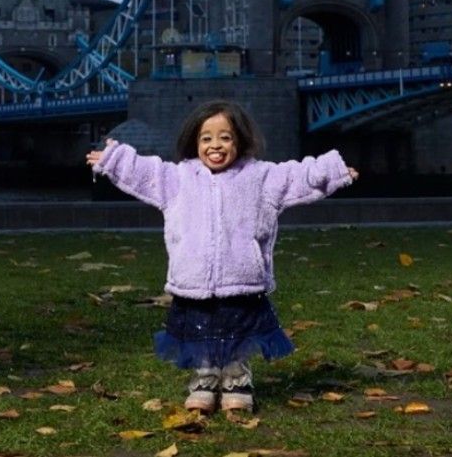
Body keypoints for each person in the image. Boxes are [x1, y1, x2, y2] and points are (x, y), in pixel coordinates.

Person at [86, 102, 358, 412]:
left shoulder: (260, 177)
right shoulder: (178, 178)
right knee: (201, 334)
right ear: (195, 143)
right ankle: (205, 378)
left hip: (241, 279)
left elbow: (296, 176)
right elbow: (147, 172)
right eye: (206, 138)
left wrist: (333, 171)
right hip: (194, 279)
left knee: (237, 334)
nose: (215, 145)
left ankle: (236, 379)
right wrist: (115, 159)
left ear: (239, 140)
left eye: (225, 137)